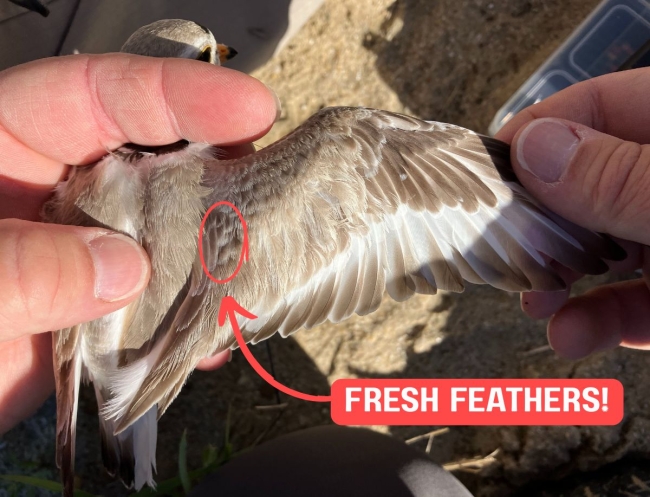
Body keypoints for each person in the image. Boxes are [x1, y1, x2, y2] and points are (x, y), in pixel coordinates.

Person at [0, 45, 648, 497]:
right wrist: (593, 203)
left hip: (107, 361)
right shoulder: (143, 181)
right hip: (127, 367)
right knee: (360, 137)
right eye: (208, 56)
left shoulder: (69, 186)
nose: (218, 58)